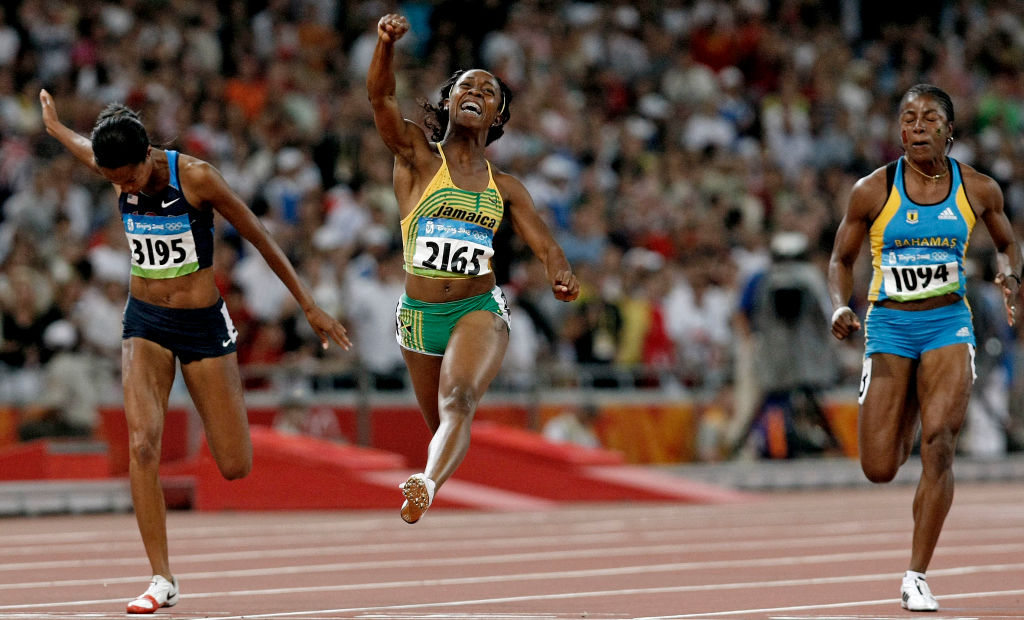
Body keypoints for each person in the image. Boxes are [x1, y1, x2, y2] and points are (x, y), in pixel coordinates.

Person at [38, 89, 351, 613]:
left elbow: (260, 237)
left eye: (130, 176)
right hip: (145, 320)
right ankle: (161, 577)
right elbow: (82, 146)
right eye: (114, 179)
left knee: (234, 464)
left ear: (148, 155)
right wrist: (53, 127)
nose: (124, 185)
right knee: (143, 445)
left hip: (203, 325)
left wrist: (309, 305)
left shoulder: (197, 177)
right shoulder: (115, 164)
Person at [367, 14, 579, 524]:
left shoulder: (504, 187)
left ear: (497, 116)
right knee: (438, 419)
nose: (475, 91)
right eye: (466, 85)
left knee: (459, 401)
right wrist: (386, 47)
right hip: (418, 316)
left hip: (477, 307)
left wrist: (562, 273)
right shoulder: (417, 155)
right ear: (448, 101)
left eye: (487, 90)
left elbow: (547, 247)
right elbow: (381, 100)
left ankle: (425, 483)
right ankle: (435, 468)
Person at [828, 83, 1023, 612]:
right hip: (890, 327)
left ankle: (917, 574)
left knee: (940, 443)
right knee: (879, 467)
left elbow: (1007, 243)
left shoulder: (979, 188)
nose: (917, 126)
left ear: (949, 130)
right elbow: (840, 260)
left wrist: (1009, 275)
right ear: (898, 130)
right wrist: (840, 305)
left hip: (947, 325)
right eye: (908, 117)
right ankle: (909, 405)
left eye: (930, 117)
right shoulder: (872, 190)